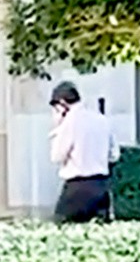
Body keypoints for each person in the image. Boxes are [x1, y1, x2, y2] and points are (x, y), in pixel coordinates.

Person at [46, 79, 120, 223]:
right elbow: (114, 155)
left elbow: (56, 156)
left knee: (64, 229)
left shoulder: (70, 122)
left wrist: (57, 128)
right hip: (101, 186)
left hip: (77, 187)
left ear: (62, 104)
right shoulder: (101, 120)